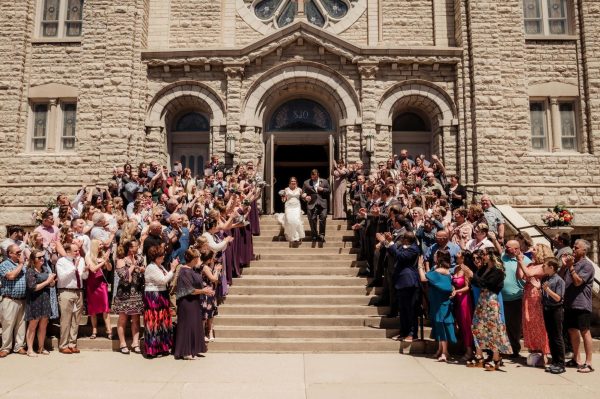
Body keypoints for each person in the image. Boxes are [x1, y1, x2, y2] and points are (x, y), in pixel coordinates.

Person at [469, 248, 512, 371]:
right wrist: (472, 276)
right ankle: (479, 355)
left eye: (485, 254)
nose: (483, 256)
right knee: (477, 326)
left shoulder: (498, 271)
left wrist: (473, 276)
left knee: (493, 328)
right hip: (482, 299)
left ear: (491, 255)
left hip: (491, 300)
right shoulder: (483, 268)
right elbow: (477, 283)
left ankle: (496, 358)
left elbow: (488, 284)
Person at [174, 248, 215, 360]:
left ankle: (193, 349)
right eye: (197, 257)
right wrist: (204, 291)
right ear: (194, 259)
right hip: (187, 302)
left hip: (194, 302)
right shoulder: (184, 271)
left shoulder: (192, 269)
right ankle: (186, 351)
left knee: (194, 325)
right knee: (187, 326)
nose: (199, 259)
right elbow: (189, 290)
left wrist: (205, 289)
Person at [561, 239, 595, 373]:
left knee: (585, 331)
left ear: (584, 250)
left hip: (582, 304)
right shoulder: (572, 264)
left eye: (576, 248)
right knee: (572, 330)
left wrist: (570, 267)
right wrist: (564, 266)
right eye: (573, 247)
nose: (573, 250)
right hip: (569, 303)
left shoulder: (587, 266)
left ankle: (589, 362)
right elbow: (559, 279)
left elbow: (578, 282)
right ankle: (577, 359)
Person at [418, 249, 456, 362]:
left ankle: (445, 352)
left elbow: (424, 278)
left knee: (441, 324)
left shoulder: (440, 270)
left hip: (441, 302)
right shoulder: (438, 269)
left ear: (439, 258)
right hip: (437, 300)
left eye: (435, 255)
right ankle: (440, 349)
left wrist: (420, 266)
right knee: (438, 324)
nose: (433, 256)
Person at [517, 243, 551, 364]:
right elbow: (520, 275)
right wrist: (518, 262)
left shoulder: (543, 266)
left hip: (536, 297)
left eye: (535, 250)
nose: (532, 251)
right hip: (527, 295)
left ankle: (544, 353)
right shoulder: (530, 264)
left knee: (539, 324)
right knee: (528, 322)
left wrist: (521, 261)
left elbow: (529, 274)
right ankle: (534, 350)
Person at [143, 245, 177, 358]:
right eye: (161, 255)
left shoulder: (160, 266)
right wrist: (172, 269)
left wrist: (171, 271)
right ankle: (153, 349)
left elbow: (167, 278)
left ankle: (162, 347)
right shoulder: (151, 267)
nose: (164, 257)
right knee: (154, 322)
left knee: (162, 321)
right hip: (153, 295)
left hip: (161, 295)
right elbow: (163, 280)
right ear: (156, 257)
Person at [55, 243, 88, 354]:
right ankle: (63, 345)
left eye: (78, 250)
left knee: (76, 320)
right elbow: (62, 277)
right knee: (65, 320)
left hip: (78, 291)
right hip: (66, 291)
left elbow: (84, 277)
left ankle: (72, 343)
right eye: (75, 251)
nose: (78, 252)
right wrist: (74, 268)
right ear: (68, 251)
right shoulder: (61, 261)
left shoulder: (81, 260)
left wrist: (85, 271)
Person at [113, 240, 145, 354]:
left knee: (136, 319)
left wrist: (142, 270)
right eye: (133, 246)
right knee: (123, 319)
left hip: (136, 293)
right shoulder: (121, 260)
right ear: (129, 248)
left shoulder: (140, 259)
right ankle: (122, 343)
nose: (136, 248)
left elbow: (142, 275)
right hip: (124, 295)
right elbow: (124, 278)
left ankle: (135, 342)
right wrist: (132, 267)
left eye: (137, 246)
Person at [501, 240, 530, 358]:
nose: (505, 248)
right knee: (503, 325)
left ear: (516, 249)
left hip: (516, 299)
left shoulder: (526, 261)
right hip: (501, 298)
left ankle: (514, 349)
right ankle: (503, 348)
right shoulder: (503, 257)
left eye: (508, 247)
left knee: (514, 326)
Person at [24, 250, 55, 356]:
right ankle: (30, 349)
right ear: (33, 260)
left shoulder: (45, 269)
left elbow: (50, 285)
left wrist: (52, 282)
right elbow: (33, 287)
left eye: (43, 256)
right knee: (33, 326)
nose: (42, 258)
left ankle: (41, 348)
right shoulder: (30, 271)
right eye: (39, 257)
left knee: (43, 326)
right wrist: (47, 281)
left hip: (45, 300)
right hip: (34, 301)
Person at [0, 244, 28, 357]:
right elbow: (11, 276)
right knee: (8, 324)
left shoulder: (24, 266)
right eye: (17, 252)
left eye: (20, 252)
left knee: (21, 325)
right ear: (10, 253)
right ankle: (6, 347)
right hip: (10, 299)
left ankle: (19, 346)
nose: (20, 254)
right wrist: (21, 264)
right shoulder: (4, 264)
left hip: (23, 299)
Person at [541, 257, 566, 374]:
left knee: (557, 337)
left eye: (544, 265)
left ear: (551, 267)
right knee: (551, 336)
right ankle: (555, 361)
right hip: (547, 309)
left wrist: (547, 290)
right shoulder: (547, 278)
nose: (543, 267)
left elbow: (558, 298)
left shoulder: (558, 280)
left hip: (556, 310)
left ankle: (561, 363)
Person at [86, 240, 112, 340]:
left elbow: (109, 269)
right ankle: (94, 330)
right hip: (92, 284)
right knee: (92, 309)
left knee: (105, 307)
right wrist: (103, 262)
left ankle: (109, 330)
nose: (102, 246)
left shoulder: (102, 256)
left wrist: (107, 261)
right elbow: (93, 269)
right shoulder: (89, 256)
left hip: (101, 284)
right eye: (100, 244)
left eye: (102, 244)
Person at [452, 250, 474, 361]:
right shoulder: (456, 268)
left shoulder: (466, 270)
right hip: (456, 299)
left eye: (460, 253)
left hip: (464, 300)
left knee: (466, 325)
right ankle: (464, 348)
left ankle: (469, 351)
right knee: (460, 324)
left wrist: (457, 291)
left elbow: (467, 287)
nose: (457, 254)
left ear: (464, 257)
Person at [199, 250, 222, 342]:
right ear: (209, 259)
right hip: (206, 292)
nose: (214, 259)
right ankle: (205, 332)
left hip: (210, 291)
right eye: (212, 258)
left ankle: (209, 331)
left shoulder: (205, 266)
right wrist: (217, 270)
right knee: (205, 313)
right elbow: (213, 278)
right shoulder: (204, 267)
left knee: (211, 313)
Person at [302, 169, 330, 242]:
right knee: (312, 220)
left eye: (315, 177)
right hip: (312, 203)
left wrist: (323, 189)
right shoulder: (306, 182)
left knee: (323, 218)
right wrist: (305, 197)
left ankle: (321, 235)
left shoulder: (324, 181)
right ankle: (314, 235)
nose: (314, 178)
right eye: (312, 177)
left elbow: (329, 190)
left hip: (322, 203)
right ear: (311, 176)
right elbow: (303, 193)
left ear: (318, 175)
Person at [277, 177, 306, 243]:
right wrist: (282, 196)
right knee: (290, 220)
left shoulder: (300, 189)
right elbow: (283, 200)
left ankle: (297, 237)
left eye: (294, 181)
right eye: (292, 181)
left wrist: (306, 197)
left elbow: (303, 198)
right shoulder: (286, 189)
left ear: (296, 182)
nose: (293, 182)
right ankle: (291, 236)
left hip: (297, 207)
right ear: (290, 182)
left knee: (297, 221)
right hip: (289, 207)